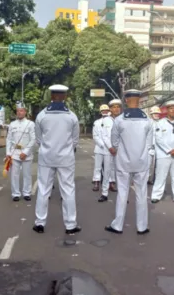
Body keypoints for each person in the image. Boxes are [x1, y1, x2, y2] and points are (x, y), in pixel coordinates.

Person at [33, 84, 81, 235]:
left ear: (51, 96)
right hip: (66, 158)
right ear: (64, 96)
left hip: (46, 157)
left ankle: (40, 223)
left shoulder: (41, 115)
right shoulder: (72, 116)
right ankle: (70, 225)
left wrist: (47, 148)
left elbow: (39, 139)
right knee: (68, 190)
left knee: (43, 190)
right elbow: (75, 140)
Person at [105, 89, 153, 235]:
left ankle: (118, 225)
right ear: (139, 100)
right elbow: (150, 144)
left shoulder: (119, 120)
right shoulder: (148, 120)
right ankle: (142, 227)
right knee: (141, 194)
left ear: (126, 100)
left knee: (122, 194)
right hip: (141, 162)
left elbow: (114, 142)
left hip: (124, 163)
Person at [150, 100, 174, 204]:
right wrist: (169, 150)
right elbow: (158, 138)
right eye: (171, 109)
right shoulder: (160, 123)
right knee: (161, 175)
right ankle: (156, 195)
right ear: (167, 110)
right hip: (164, 153)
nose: (173, 110)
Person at [6, 103, 36, 202]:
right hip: (15, 152)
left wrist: (26, 152)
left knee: (27, 174)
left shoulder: (30, 124)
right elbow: (9, 139)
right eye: (18, 111)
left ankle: (27, 193)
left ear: (25, 112)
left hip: (26, 153)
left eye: (21, 110)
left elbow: (33, 139)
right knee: (14, 174)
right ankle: (15, 194)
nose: (19, 112)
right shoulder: (12, 124)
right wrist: (8, 153)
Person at [91, 104, 114, 202]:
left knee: (109, 168)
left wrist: (110, 146)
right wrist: (102, 144)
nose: (104, 111)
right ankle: (96, 181)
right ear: (100, 112)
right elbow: (95, 135)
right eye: (103, 110)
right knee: (98, 167)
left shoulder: (113, 121)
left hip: (109, 149)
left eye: (106, 110)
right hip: (100, 148)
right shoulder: (96, 122)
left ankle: (110, 183)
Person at [107, 98, 123, 192]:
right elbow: (105, 135)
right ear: (110, 109)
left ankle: (121, 188)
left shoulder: (124, 120)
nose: (116, 109)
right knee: (111, 167)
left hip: (122, 148)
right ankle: (111, 183)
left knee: (122, 169)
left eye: (118, 107)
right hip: (110, 148)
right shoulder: (107, 121)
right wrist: (111, 147)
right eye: (114, 107)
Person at [148, 106, 161, 185]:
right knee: (148, 165)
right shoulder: (148, 123)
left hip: (159, 148)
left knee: (156, 166)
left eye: (157, 113)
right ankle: (146, 179)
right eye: (155, 113)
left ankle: (152, 179)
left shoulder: (161, 123)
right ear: (151, 114)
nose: (156, 115)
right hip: (149, 147)